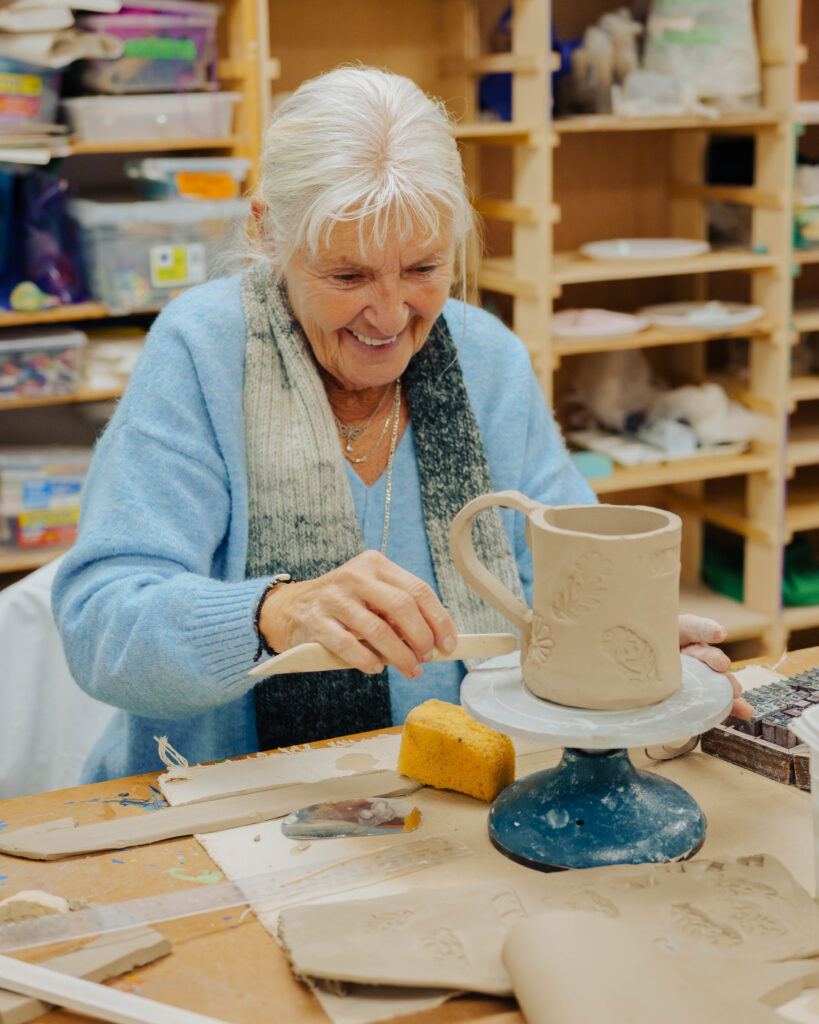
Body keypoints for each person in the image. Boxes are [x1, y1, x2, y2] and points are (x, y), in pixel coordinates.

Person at [52, 66, 750, 785]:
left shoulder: (486, 360)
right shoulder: (202, 352)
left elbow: (572, 581)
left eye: (422, 267)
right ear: (268, 235)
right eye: (348, 277)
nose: (389, 317)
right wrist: (277, 612)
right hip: (221, 804)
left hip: (452, 795)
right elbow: (100, 625)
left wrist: (633, 644)